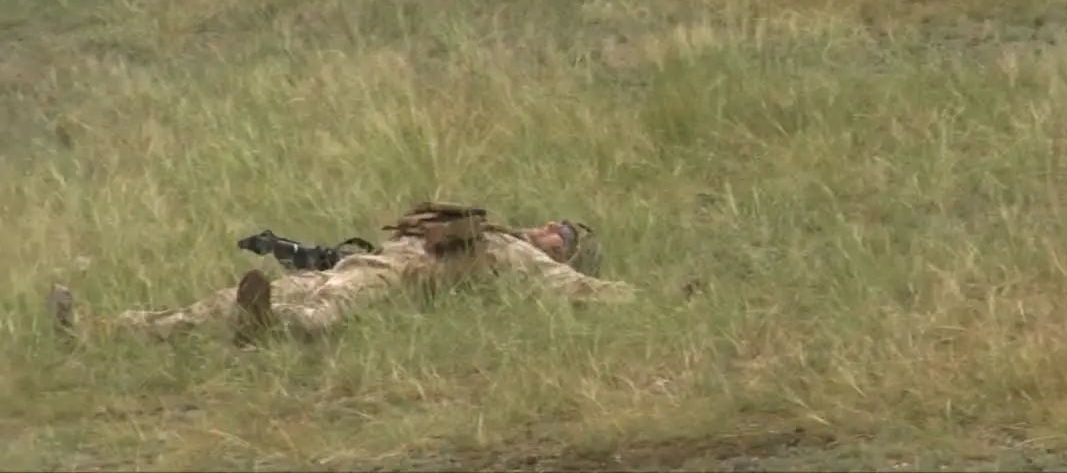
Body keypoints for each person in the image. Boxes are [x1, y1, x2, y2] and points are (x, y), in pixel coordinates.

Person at [48, 201, 636, 345]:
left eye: (563, 236)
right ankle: (101, 330)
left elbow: (586, 294)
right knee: (231, 299)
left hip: (401, 279)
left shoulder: (514, 256)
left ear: (565, 252)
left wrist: (652, 297)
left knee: (345, 294)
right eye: (555, 224)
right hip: (373, 261)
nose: (548, 232)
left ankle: (283, 327)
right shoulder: (480, 227)